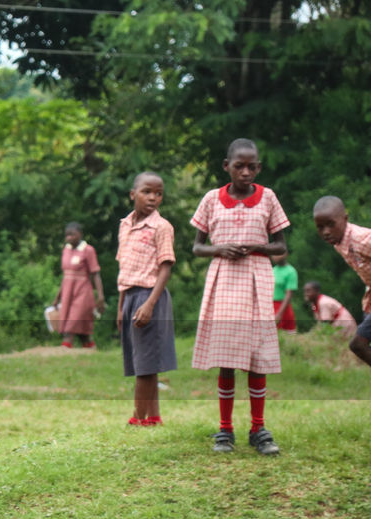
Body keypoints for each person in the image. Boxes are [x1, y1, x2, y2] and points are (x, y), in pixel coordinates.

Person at [191, 138, 289, 455]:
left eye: (251, 166)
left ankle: (258, 429)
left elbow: (281, 246)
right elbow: (197, 246)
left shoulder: (268, 198)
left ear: (258, 167)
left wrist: (255, 246)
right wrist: (220, 249)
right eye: (239, 166)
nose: (245, 172)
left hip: (257, 280)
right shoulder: (211, 199)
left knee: (257, 356)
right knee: (226, 357)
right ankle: (225, 430)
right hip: (224, 281)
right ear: (227, 166)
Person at [116, 171, 178, 427]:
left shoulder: (162, 227)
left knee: (145, 364)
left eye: (158, 193)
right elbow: (124, 268)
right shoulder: (125, 225)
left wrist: (150, 304)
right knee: (141, 361)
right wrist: (121, 308)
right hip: (130, 296)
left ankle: (138, 418)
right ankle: (153, 417)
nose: (153, 198)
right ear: (133, 194)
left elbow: (165, 266)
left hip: (149, 296)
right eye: (147, 192)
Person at [313, 196, 371, 367]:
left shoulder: (361, 240)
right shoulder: (339, 242)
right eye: (320, 227)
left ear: (345, 219)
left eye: (331, 224)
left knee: (358, 344)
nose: (326, 232)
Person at [54, 222, 104, 348]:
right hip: (67, 291)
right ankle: (89, 346)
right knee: (82, 330)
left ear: (80, 234)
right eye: (67, 235)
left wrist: (100, 296)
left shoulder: (88, 250)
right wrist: (57, 297)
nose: (69, 238)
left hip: (83, 291)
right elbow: (65, 276)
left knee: (75, 319)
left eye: (72, 235)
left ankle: (66, 345)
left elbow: (95, 274)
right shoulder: (66, 250)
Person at [272, 250, 299, 333]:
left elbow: (289, 294)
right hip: (270, 306)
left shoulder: (290, 271)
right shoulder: (272, 270)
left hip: (283, 306)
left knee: (288, 333)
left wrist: (280, 313)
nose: (275, 256)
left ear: (285, 254)